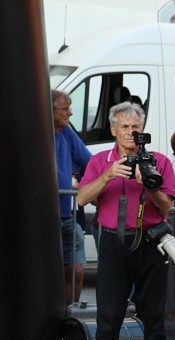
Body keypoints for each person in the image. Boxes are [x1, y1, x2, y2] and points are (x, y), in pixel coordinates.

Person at [77, 102, 175, 340]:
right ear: (113, 130)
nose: (131, 132)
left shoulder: (158, 161)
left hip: (151, 243)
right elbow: (82, 198)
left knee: (154, 315)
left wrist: (147, 185)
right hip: (113, 243)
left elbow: (167, 206)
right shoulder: (99, 161)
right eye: (125, 127)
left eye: (136, 127)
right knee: (110, 314)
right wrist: (108, 176)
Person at [53, 89, 93, 305]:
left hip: (67, 214)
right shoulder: (35, 132)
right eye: (65, 108)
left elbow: (91, 163)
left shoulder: (67, 133)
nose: (70, 113)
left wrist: (86, 185)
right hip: (40, 216)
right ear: (49, 110)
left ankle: (72, 319)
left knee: (76, 270)